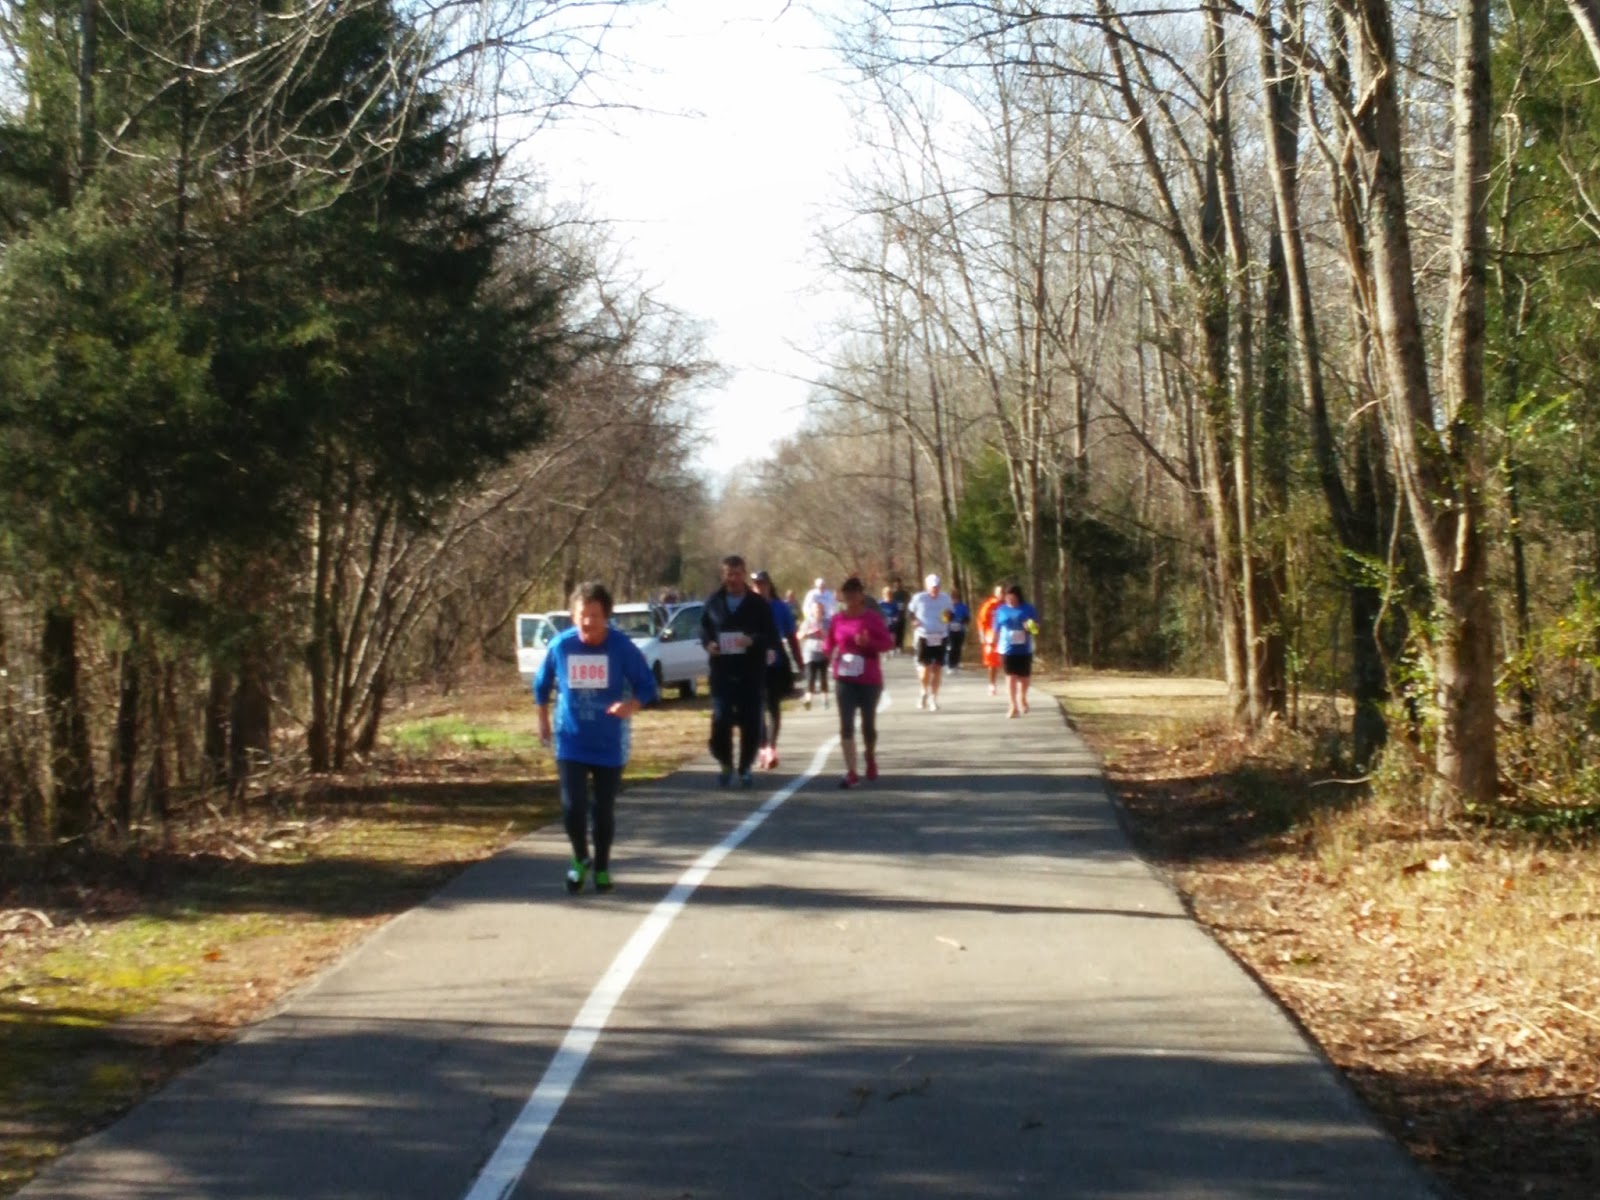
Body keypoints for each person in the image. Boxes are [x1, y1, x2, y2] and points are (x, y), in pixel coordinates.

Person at [534, 580, 660, 894]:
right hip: (571, 740)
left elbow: (647, 686)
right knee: (572, 807)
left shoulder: (620, 647)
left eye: (595, 614)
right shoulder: (561, 646)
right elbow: (541, 685)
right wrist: (542, 722)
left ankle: (601, 867)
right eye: (582, 615)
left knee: (602, 810)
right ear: (573, 616)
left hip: (609, 743)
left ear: (606, 616)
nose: (588, 622)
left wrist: (631, 705)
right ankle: (580, 858)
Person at [700, 555, 781, 787]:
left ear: (744, 574)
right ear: (723, 575)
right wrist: (709, 644)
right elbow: (704, 630)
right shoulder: (714, 601)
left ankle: (745, 765)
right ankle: (725, 761)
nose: (733, 579)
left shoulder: (757, 604)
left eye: (737, 574)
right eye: (729, 574)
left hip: (750, 672)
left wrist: (752, 640)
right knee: (721, 717)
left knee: (750, 721)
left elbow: (770, 636)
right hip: (722, 672)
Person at [824, 576, 895, 787]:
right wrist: (830, 654)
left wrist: (869, 643)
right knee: (846, 725)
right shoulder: (837, 619)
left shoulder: (871, 618)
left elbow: (887, 643)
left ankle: (870, 756)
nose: (850, 600)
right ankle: (851, 771)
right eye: (847, 596)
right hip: (844, 678)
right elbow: (829, 644)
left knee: (868, 725)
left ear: (861, 597)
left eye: (854, 596)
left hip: (869, 678)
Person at [751, 570, 802, 769]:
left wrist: (799, 661)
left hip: (775, 662)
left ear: (769, 585)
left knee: (772, 705)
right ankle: (762, 747)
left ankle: (771, 747)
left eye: (763, 584)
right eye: (756, 584)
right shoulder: (748, 608)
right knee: (756, 707)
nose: (760, 588)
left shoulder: (780, 607)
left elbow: (791, 636)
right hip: (753, 664)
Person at [991, 582, 1042, 718]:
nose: (1010, 600)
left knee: (1024, 677)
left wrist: (1029, 626)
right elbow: (996, 629)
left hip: (1024, 649)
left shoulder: (1028, 609)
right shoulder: (1000, 610)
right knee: (1011, 677)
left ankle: (1022, 698)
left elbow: (1036, 629)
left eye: (1012, 598)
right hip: (1007, 649)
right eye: (1008, 597)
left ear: (1018, 597)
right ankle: (1012, 705)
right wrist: (993, 644)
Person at [907, 572, 955, 711]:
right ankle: (923, 692)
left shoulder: (945, 599)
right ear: (927, 587)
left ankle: (934, 699)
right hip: (924, 636)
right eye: (933, 587)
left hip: (940, 636)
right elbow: (910, 612)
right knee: (925, 669)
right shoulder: (919, 598)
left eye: (937, 587)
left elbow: (951, 614)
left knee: (937, 668)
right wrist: (914, 621)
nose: (935, 590)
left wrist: (947, 617)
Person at [798, 599, 831, 710]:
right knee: (810, 677)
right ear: (812, 610)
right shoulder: (807, 622)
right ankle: (808, 701)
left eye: (819, 609)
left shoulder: (827, 622)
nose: (817, 611)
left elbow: (832, 637)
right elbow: (798, 636)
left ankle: (825, 700)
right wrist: (808, 632)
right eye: (815, 609)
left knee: (823, 678)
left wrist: (823, 633)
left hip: (823, 653)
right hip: (810, 653)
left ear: (822, 610)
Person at [976, 583, 1005, 696]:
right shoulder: (989, 605)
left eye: (1003, 592)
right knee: (992, 662)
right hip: (991, 635)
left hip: (1005, 635)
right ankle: (992, 685)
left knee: (1008, 660)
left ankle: (1010, 682)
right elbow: (981, 621)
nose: (1001, 594)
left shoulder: (1008, 604)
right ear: (995, 593)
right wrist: (982, 635)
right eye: (999, 592)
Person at [946, 590, 972, 670]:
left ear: (958, 599)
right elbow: (943, 618)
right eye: (952, 599)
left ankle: (956, 663)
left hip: (960, 630)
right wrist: (949, 618)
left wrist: (963, 620)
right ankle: (950, 664)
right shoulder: (947, 607)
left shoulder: (963, 606)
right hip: (950, 630)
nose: (954, 601)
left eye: (956, 599)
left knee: (958, 647)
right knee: (951, 647)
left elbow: (968, 618)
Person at [877, 586, 904, 656]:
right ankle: (883, 649)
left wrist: (896, 618)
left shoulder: (895, 604)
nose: (888, 595)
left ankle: (892, 649)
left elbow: (898, 614)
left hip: (892, 623)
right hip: (882, 624)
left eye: (889, 594)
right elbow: (876, 614)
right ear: (883, 595)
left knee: (892, 636)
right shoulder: (880, 604)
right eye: (886, 594)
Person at [889, 577, 911, 652]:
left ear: (901, 584)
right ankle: (894, 646)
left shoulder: (905, 593)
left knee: (902, 631)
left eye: (899, 583)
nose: (898, 585)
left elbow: (909, 602)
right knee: (894, 631)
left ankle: (900, 646)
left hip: (902, 615)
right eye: (896, 584)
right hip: (894, 615)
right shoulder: (893, 593)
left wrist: (907, 609)